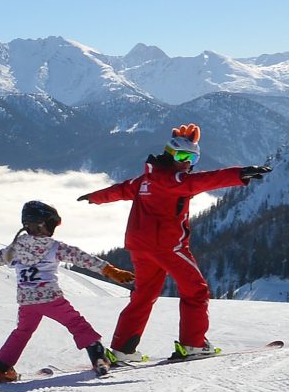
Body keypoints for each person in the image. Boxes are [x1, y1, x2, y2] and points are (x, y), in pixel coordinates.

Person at [78, 123, 267, 360]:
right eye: (182, 155)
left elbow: (122, 190)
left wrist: (96, 197)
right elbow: (207, 181)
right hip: (167, 246)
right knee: (196, 291)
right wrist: (239, 174)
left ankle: (122, 349)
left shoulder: (145, 179)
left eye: (192, 157)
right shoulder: (177, 180)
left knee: (143, 296)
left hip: (140, 247)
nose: (187, 162)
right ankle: (193, 345)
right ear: (170, 154)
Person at [0, 200, 133, 383]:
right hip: (51, 299)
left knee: (22, 332)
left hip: (27, 302)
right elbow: (82, 258)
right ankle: (98, 357)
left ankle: (1, 368)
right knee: (76, 324)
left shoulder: (15, 248)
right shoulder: (54, 247)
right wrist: (109, 270)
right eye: (51, 224)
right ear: (42, 225)